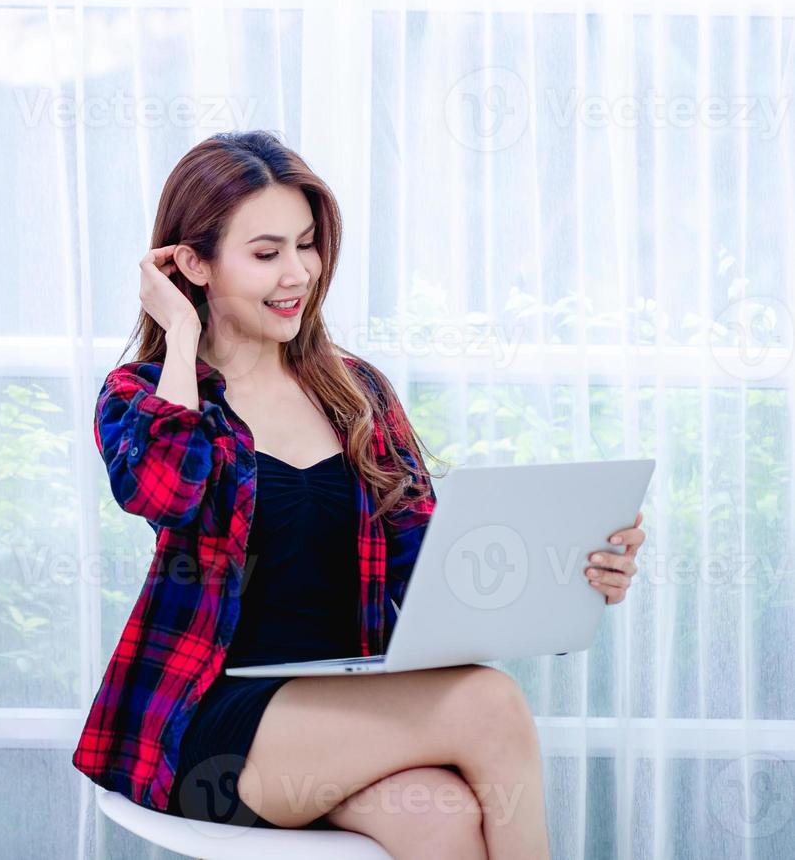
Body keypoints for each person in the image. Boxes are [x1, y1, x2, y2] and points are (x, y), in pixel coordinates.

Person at [74, 130, 645, 860]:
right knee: (489, 702)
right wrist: (180, 331)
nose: (297, 274)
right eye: (265, 252)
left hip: (345, 706)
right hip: (209, 725)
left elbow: (434, 568)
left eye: (307, 245)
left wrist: (574, 575)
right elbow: (167, 492)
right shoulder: (144, 395)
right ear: (192, 263)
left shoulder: (356, 391)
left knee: (440, 819)